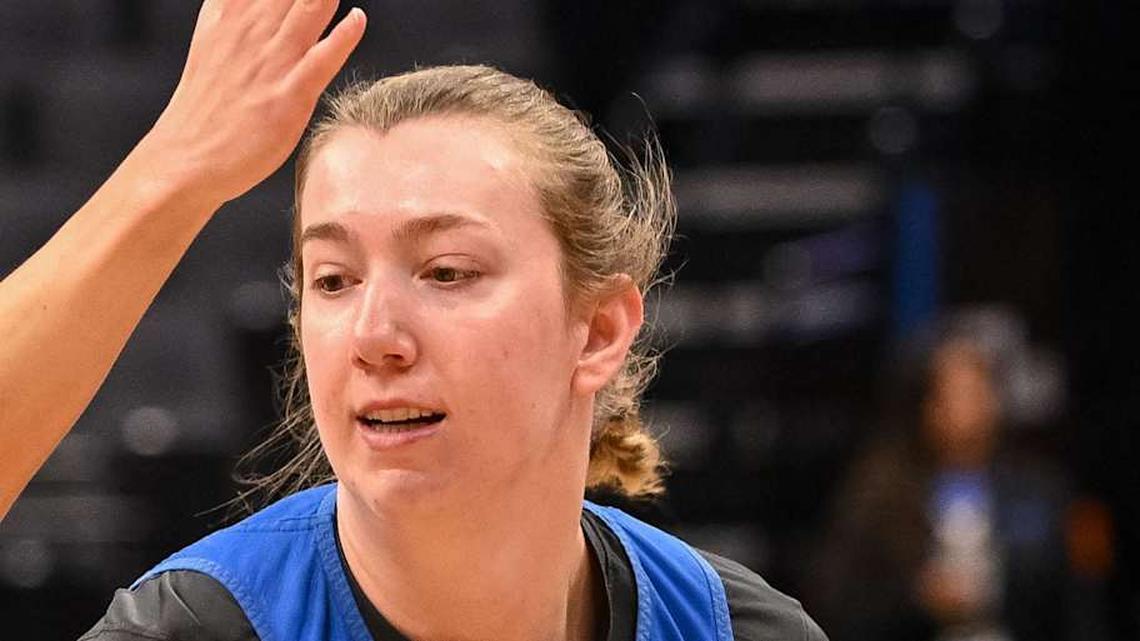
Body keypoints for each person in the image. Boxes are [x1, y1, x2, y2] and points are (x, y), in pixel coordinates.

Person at [1, 1, 828, 640]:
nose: (374, 334)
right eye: (333, 278)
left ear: (601, 329)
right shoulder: (203, 624)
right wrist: (174, 168)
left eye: (446, 272)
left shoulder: (737, 626)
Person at [811, 313, 1074, 641]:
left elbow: (1069, 595)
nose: (971, 406)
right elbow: (835, 598)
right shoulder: (879, 492)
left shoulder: (1037, 489)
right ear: (925, 404)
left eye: (980, 390)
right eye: (955, 393)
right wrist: (917, 599)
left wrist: (994, 589)